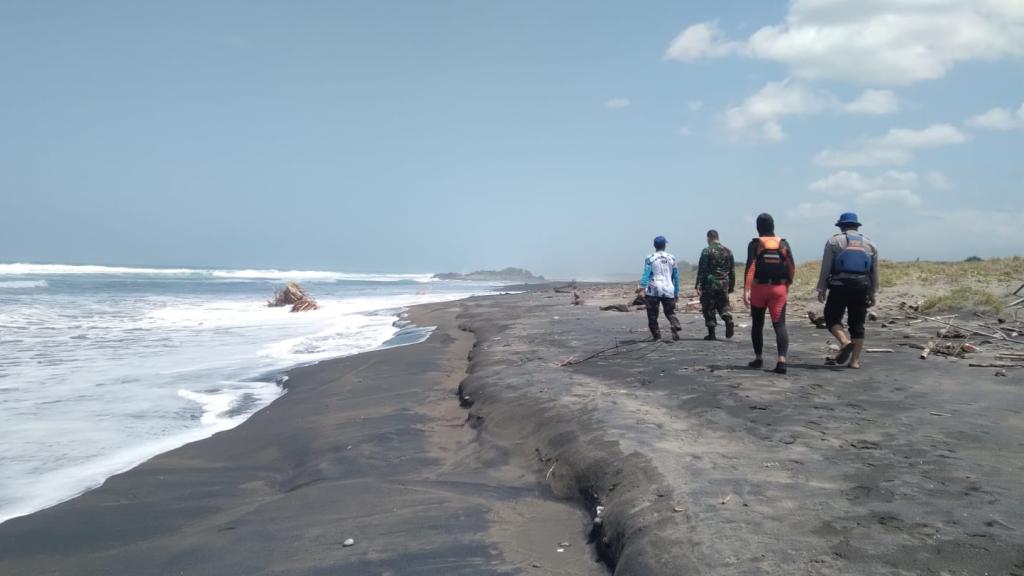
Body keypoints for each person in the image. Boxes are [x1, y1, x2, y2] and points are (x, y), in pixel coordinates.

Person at [816, 212, 880, 369]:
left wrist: (821, 288)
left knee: (831, 318)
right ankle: (855, 362)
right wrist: (873, 292)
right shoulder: (870, 244)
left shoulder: (834, 241)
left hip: (839, 286)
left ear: (841, 226)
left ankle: (844, 342)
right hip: (862, 286)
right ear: (857, 226)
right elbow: (874, 272)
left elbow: (826, 267)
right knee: (857, 324)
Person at [743, 213, 795, 374]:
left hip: (759, 289)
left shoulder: (754, 244)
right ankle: (781, 361)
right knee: (779, 324)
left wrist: (746, 289)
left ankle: (758, 359)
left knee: (757, 324)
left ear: (758, 228)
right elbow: (791, 266)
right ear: (773, 226)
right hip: (779, 289)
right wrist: (787, 284)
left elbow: (750, 267)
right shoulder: (783, 243)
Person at [695, 229, 736, 340]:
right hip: (724, 283)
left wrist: (698, 284)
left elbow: (702, 270)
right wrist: (731, 286)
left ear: (709, 238)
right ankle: (728, 320)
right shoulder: (728, 251)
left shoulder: (706, 251)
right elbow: (732, 270)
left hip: (710, 284)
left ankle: (712, 334)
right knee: (723, 305)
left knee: (709, 308)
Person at [640, 235, 681, 341]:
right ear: (664, 245)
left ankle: (657, 336)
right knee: (670, 312)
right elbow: (675, 277)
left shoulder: (650, 258)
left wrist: (642, 288)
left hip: (653, 289)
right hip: (668, 288)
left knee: (652, 315)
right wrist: (676, 292)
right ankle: (674, 322)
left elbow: (646, 274)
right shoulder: (672, 258)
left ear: (654, 245)